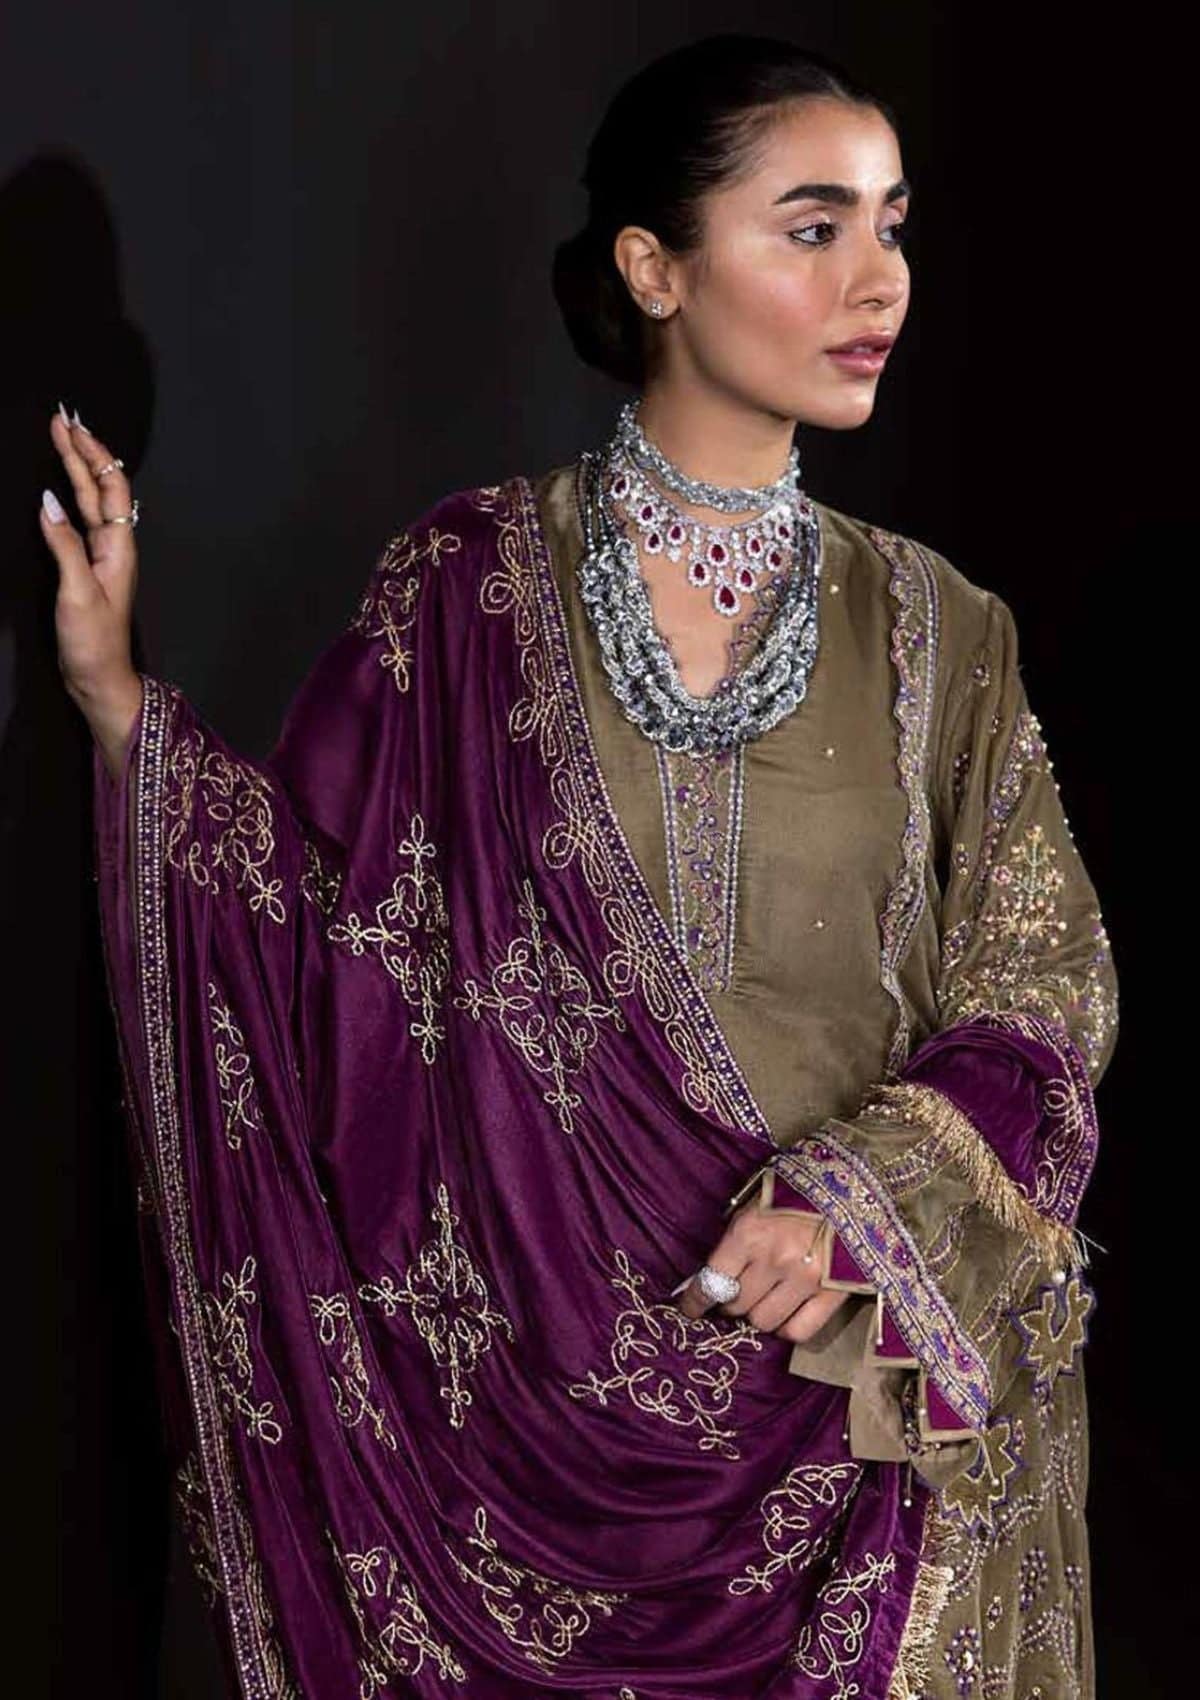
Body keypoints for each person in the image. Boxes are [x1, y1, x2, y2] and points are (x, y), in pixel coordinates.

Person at [42, 34, 1117, 1700]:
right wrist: (118, 702)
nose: (880, 280)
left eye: (893, 225)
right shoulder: (465, 588)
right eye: (814, 227)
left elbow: (1045, 995)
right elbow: (325, 951)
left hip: (853, 1430)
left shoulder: (942, 633)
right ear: (653, 267)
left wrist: (865, 1206)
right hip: (509, 1438)